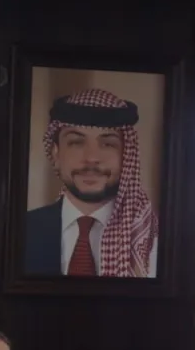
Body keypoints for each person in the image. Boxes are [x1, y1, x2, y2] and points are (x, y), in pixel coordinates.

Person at [23, 88, 159, 278]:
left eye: (108, 144)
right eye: (76, 143)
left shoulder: (152, 240)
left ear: (126, 155)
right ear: (55, 154)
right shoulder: (20, 231)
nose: (91, 158)